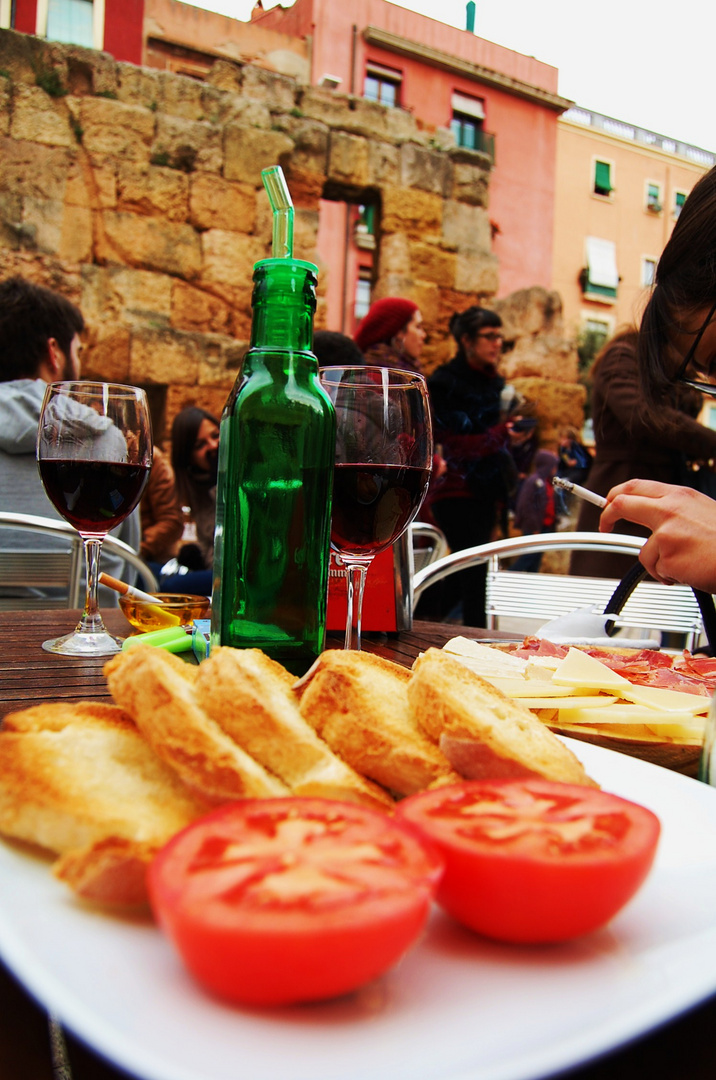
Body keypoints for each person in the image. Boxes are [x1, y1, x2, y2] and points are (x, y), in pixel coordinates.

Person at [0, 276, 141, 603]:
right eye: (77, 350)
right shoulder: (104, 436)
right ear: (54, 353)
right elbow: (126, 561)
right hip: (73, 631)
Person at [572, 323, 716, 581]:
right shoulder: (625, 355)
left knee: (664, 600)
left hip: (667, 499)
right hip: (623, 491)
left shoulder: (675, 365)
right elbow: (642, 416)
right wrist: (709, 441)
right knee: (607, 597)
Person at [418, 305, 530, 626]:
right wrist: (499, 434)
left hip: (487, 489)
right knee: (474, 569)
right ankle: (473, 639)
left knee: (465, 569)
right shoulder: (443, 383)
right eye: (489, 336)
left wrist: (515, 436)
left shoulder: (497, 385)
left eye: (500, 337)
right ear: (467, 340)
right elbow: (449, 443)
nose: (497, 344)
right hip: (454, 489)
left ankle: (420, 616)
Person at [163, 405, 220, 595]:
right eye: (200, 445)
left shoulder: (229, 484)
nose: (213, 445)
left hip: (236, 574)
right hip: (214, 570)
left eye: (215, 435)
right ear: (189, 458)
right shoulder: (199, 488)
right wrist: (196, 554)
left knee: (170, 588)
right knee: (152, 572)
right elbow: (209, 543)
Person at [510, 449, 559, 572]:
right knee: (528, 557)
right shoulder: (534, 482)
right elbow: (527, 507)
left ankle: (530, 582)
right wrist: (534, 528)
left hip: (544, 526)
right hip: (534, 528)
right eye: (553, 466)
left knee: (536, 559)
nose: (555, 469)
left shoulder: (547, 482)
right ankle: (510, 575)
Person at [139, 444, 184, 571]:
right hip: (113, 552)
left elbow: (171, 522)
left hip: (152, 559)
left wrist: (140, 547)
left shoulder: (150, 457)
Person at [353, 297, 426, 372]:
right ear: (399, 331)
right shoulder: (378, 377)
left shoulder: (411, 369)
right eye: (418, 327)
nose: (423, 335)